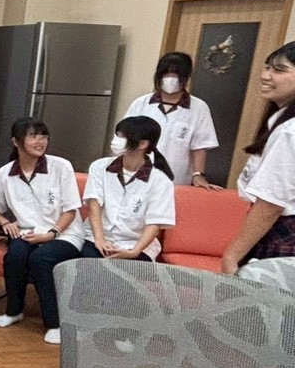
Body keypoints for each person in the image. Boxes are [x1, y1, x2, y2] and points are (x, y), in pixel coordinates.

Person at [0, 118, 84, 346]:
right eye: (33, 136)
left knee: (41, 259)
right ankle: (14, 310)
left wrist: (52, 234)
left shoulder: (60, 166)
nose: (40, 141)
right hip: (27, 231)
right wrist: (4, 222)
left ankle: (54, 323)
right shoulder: (5, 174)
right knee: (15, 256)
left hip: (64, 233)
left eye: (44, 136)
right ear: (16, 142)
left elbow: (70, 211)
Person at [223, 42, 295, 273]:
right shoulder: (281, 122)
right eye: (267, 68)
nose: (266, 76)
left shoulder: (290, 131)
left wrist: (232, 255)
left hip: (283, 233)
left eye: (279, 70)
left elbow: (271, 204)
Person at [79, 115, 176, 263]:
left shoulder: (161, 180)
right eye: (117, 134)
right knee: (90, 264)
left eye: (123, 136)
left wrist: (134, 251)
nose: (116, 140)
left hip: (136, 244)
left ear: (143, 144)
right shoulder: (100, 166)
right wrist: (100, 240)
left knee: (126, 271)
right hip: (96, 238)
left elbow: (155, 223)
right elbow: (94, 205)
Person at [121, 52, 220, 188]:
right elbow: (125, 138)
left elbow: (199, 146)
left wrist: (198, 175)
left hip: (175, 179)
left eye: (175, 75)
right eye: (166, 74)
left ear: (186, 77)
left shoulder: (199, 108)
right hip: (136, 174)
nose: (170, 79)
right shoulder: (141, 104)